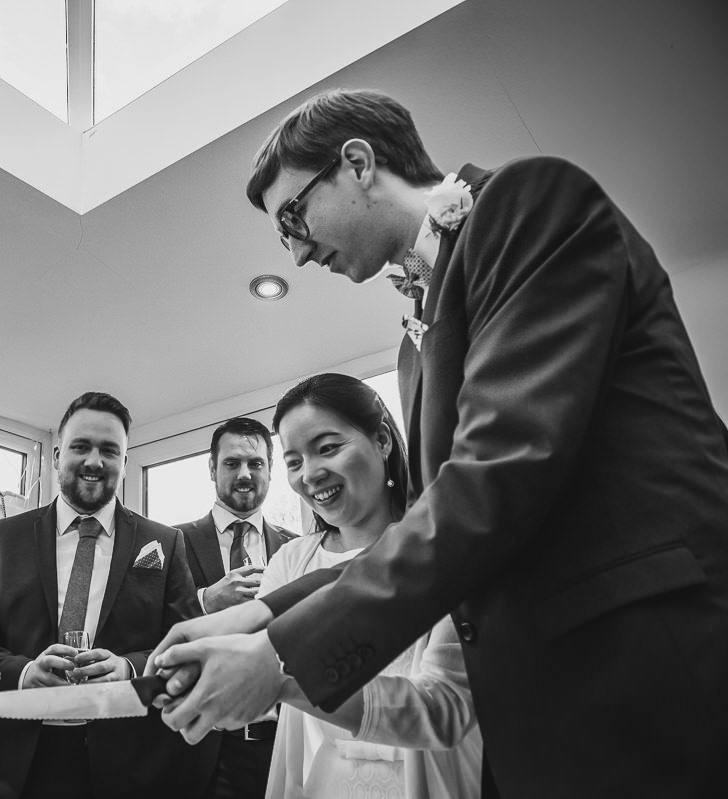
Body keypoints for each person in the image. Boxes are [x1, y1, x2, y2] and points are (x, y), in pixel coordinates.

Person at [148, 88, 728, 798]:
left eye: (294, 216)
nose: (296, 253)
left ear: (357, 162)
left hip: (642, 674)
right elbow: (428, 511)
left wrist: (279, 657)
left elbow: (497, 474)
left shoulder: (527, 204)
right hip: (536, 723)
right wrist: (260, 611)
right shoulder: (412, 348)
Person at [0, 391, 216, 799]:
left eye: (109, 450)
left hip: (129, 763)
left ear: (125, 463)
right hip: (16, 763)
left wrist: (130, 670)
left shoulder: (165, 543)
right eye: (81, 447)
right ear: (57, 454)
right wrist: (25, 674)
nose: (94, 461)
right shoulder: (5, 538)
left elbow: (187, 645)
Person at [262, 373, 480, 799]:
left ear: (381, 441)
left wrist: (280, 681)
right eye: (293, 461)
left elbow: (444, 707)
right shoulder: (290, 561)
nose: (310, 474)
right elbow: (257, 664)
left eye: (327, 448)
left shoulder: (443, 549)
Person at [174, 416, 296, 799]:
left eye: (255, 463)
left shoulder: (298, 549)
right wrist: (204, 602)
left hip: (284, 745)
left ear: (270, 470)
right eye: (231, 463)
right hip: (199, 750)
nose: (244, 474)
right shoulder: (172, 541)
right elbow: (145, 627)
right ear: (212, 468)